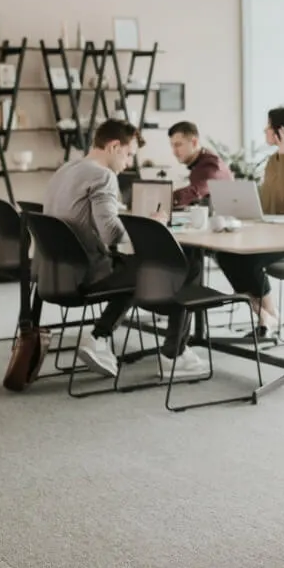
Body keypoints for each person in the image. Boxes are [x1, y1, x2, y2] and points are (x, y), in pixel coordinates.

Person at [43, 118, 209, 381]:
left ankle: (101, 336)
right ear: (113, 147)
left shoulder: (67, 168)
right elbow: (110, 233)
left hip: (56, 273)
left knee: (134, 266)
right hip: (89, 273)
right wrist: (149, 225)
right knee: (183, 265)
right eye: (129, 154)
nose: (129, 163)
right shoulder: (103, 175)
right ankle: (173, 355)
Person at [214, 107, 284, 331]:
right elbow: (266, 199)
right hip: (270, 232)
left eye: (268, 127)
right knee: (225, 254)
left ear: (280, 132)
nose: (264, 131)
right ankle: (265, 313)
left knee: (249, 260)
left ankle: (269, 315)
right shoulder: (273, 160)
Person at [168, 121, 231, 208]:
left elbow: (196, 191)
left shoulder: (211, 165)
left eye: (178, 145)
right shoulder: (202, 162)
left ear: (194, 142)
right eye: (172, 146)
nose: (174, 152)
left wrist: (164, 198)